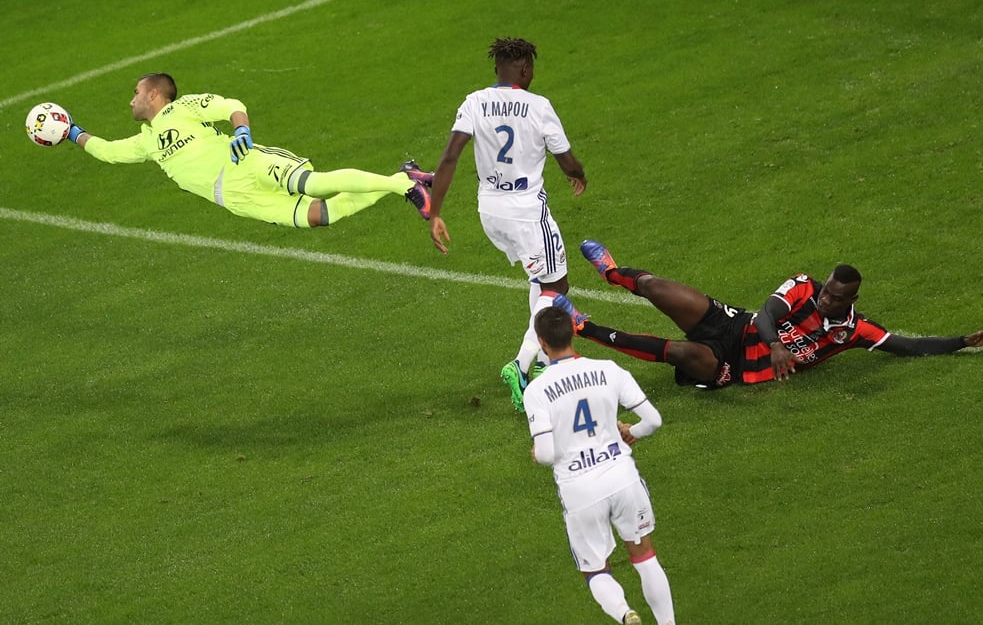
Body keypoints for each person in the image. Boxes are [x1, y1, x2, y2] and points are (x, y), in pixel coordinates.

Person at [553, 240, 983, 389]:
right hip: (737, 325)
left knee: (682, 354)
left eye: (833, 297)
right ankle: (614, 273)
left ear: (850, 300)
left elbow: (908, 347)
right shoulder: (803, 286)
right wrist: (773, 344)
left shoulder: (854, 330)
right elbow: (768, 315)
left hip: (735, 367)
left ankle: (583, 327)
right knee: (655, 287)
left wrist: (962, 341)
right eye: (826, 290)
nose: (824, 299)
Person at [427, 38, 588, 412]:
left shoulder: (474, 101)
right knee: (557, 286)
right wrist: (578, 175)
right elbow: (565, 158)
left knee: (539, 278)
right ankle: (522, 363)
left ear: (496, 69)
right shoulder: (538, 106)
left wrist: (435, 211)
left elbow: (450, 155)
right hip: (527, 211)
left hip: (490, 211)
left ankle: (548, 360)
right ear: (526, 69)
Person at [63, 72, 433, 228]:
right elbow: (108, 151)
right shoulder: (147, 141)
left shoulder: (185, 107)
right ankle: (403, 176)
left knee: (313, 184)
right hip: (234, 198)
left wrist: (241, 129)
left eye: (136, 93)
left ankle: (404, 186)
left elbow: (229, 105)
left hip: (244, 162)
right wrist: (70, 131)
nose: (131, 101)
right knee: (321, 215)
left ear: (155, 94)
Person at [525, 305, 676, 625]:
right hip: (621, 477)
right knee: (645, 556)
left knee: (595, 569)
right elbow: (653, 420)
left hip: (581, 490)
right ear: (572, 332)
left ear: (542, 342)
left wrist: (536, 454)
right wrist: (629, 432)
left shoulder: (537, 390)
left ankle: (625, 613)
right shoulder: (609, 369)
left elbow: (548, 454)